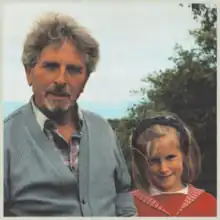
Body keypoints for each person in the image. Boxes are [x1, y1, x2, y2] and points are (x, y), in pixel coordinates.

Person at [4, 12, 136, 217]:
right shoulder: (6, 139)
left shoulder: (103, 129)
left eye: (74, 70)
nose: (61, 80)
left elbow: (122, 193)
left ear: (85, 80)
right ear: (29, 73)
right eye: (51, 66)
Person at [130, 114, 216, 217]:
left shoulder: (208, 203)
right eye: (154, 160)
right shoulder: (130, 205)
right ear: (141, 162)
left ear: (184, 155)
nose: (163, 169)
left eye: (170, 157)